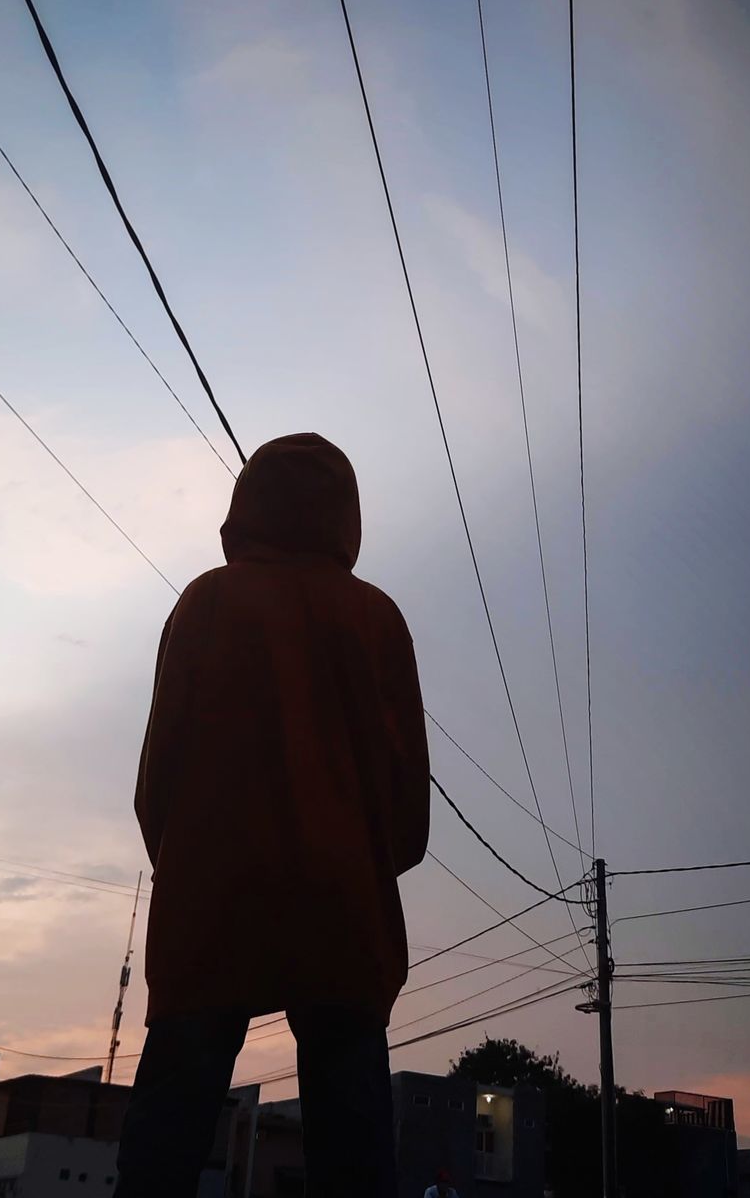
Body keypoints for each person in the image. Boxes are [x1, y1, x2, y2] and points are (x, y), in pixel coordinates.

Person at [114, 433, 430, 1198]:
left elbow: (157, 778)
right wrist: (356, 859)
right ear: (345, 515)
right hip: (343, 909)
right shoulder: (375, 617)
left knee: (168, 1137)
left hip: (211, 902)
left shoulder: (208, 601)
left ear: (245, 506)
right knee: (352, 1143)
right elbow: (407, 797)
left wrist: (192, 857)